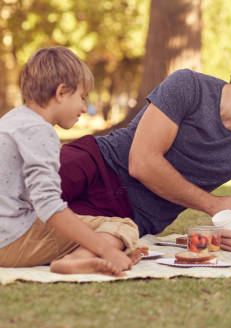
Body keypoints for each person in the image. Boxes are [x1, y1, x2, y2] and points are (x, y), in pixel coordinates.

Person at [59, 39, 231, 251]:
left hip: (129, 217)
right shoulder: (189, 86)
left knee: (48, 237)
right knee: (23, 192)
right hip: (97, 162)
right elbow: (142, 163)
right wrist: (215, 205)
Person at [0, 47, 140, 276]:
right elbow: (48, 205)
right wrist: (107, 250)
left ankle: (81, 255)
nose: (84, 108)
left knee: (84, 225)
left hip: (8, 234)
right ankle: (76, 260)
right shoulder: (39, 130)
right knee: (123, 226)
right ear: (61, 92)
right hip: (11, 241)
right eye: (82, 98)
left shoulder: (13, 120)